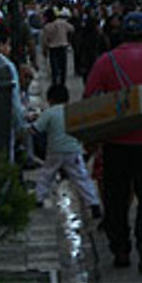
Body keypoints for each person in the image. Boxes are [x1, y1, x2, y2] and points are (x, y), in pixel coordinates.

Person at [84, 12, 142, 275]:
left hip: (117, 141)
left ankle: (121, 247)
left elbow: (90, 98)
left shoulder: (106, 61)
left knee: (116, 197)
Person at [32, 84, 101, 218]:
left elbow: (36, 129)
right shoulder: (72, 111)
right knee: (81, 177)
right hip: (73, 150)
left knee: (46, 175)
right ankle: (93, 203)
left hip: (54, 150)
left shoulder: (49, 113)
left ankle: (38, 198)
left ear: (50, 99)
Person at [0, 27, 28, 158]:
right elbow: (14, 101)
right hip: (3, 123)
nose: (9, 49)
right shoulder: (6, 67)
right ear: (0, 45)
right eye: (8, 45)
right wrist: (20, 126)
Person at [41, 8, 75, 86]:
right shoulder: (62, 23)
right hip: (63, 46)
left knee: (54, 68)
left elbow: (45, 40)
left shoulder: (47, 27)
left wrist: (44, 50)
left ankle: (55, 83)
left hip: (53, 48)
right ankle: (63, 83)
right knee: (63, 67)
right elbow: (72, 29)